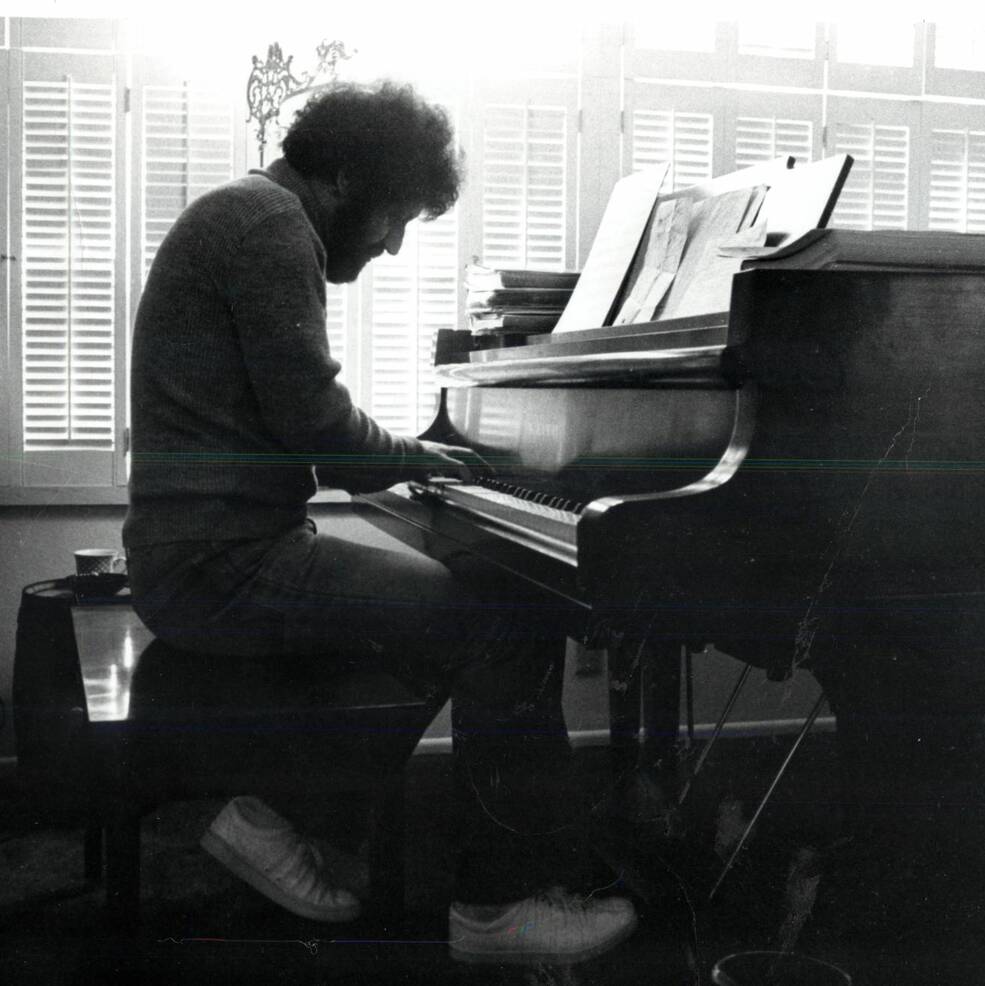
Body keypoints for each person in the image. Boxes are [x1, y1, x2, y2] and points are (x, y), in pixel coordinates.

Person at [121, 80, 635, 965]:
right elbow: (321, 432)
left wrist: (410, 459)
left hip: (206, 552)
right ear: (346, 176)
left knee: (451, 602)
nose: (394, 244)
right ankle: (494, 908)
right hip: (217, 565)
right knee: (502, 624)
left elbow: (305, 426)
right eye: (397, 215)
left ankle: (280, 818)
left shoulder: (246, 215)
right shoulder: (270, 225)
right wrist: (415, 459)